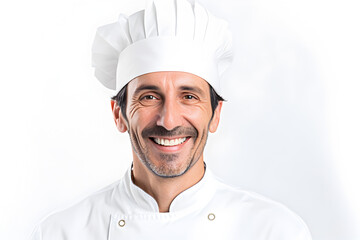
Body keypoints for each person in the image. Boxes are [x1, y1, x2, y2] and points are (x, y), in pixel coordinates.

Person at [30, 0, 312, 239]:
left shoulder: (274, 231)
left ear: (216, 115)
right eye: (149, 97)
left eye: (189, 96)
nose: (168, 120)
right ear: (119, 114)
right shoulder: (61, 232)